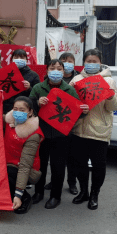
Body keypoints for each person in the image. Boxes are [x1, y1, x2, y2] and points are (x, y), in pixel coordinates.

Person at [29, 59, 89, 209]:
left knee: (58, 166)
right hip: (41, 133)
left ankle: (56, 196)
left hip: (61, 135)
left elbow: (77, 112)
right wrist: (37, 103)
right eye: (52, 68)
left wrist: (84, 112)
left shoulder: (70, 90)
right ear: (47, 70)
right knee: (40, 165)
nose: (56, 71)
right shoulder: (38, 88)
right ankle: (38, 193)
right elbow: (27, 107)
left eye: (59, 69)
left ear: (64, 72)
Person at [69, 49, 117, 210]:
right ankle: (83, 191)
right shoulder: (76, 80)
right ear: (84, 62)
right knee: (79, 163)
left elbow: (115, 107)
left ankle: (94, 194)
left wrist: (111, 97)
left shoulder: (108, 82)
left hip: (99, 130)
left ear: (100, 62)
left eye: (94, 61)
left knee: (99, 165)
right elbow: (69, 104)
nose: (91, 64)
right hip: (79, 129)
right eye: (88, 61)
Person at [43, 52, 80, 194]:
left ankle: (72, 183)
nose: (57, 71)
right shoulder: (43, 84)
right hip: (48, 129)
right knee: (53, 161)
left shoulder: (75, 82)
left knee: (69, 158)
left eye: (69, 61)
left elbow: (77, 106)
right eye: (64, 60)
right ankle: (53, 182)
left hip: (67, 127)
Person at [3, 96, 44, 214]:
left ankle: (24, 198)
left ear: (30, 112)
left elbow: (25, 166)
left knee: (7, 175)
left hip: (27, 170)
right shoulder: (9, 121)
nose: (17, 112)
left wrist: (18, 194)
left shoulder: (34, 134)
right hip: (8, 163)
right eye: (15, 109)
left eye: (22, 110)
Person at [2, 49, 41, 114]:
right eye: (16, 57)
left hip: (25, 111)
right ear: (12, 59)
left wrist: (29, 88)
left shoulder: (33, 75)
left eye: (22, 57)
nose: (19, 59)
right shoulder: (5, 73)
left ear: (26, 60)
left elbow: (38, 94)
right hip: (7, 110)